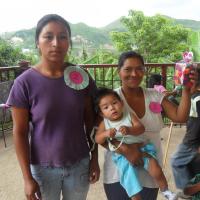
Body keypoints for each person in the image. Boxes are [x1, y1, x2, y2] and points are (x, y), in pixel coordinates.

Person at [7, 14, 100, 200]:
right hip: (42, 169)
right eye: (48, 37)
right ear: (37, 42)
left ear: (69, 42)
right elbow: (19, 132)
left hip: (79, 165)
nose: (56, 43)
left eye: (63, 36)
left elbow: (91, 123)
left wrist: (95, 160)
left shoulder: (82, 77)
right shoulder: (24, 83)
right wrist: (27, 178)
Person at [101, 51, 196, 200]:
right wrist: (126, 150)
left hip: (151, 172)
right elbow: (100, 136)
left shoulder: (155, 96)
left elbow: (180, 116)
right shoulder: (108, 101)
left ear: (144, 71)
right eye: (128, 69)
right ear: (118, 71)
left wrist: (186, 89)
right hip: (118, 173)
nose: (134, 74)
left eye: (139, 69)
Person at [95, 87, 177, 200]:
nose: (112, 108)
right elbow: (98, 139)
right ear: (102, 113)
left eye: (115, 103)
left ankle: (166, 191)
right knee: (129, 177)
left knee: (156, 168)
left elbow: (140, 128)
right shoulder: (105, 124)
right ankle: (136, 197)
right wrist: (106, 134)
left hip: (144, 148)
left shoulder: (129, 115)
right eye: (106, 107)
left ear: (122, 103)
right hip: (122, 156)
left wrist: (129, 130)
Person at [171, 75, 200, 198]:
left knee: (176, 161)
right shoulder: (193, 97)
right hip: (191, 139)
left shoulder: (197, 99)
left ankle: (186, 190)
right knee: (190, 165)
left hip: (193, 141)